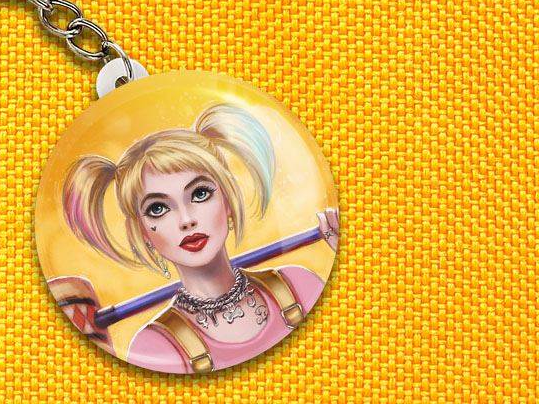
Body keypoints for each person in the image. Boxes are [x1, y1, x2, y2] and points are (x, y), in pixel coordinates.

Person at [62, 103, 338, 373]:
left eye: (200, 194)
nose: (186, 220)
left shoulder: (300, 285)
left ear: (227, 200)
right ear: (143, 232)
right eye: (158, 208)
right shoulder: (154, 346)